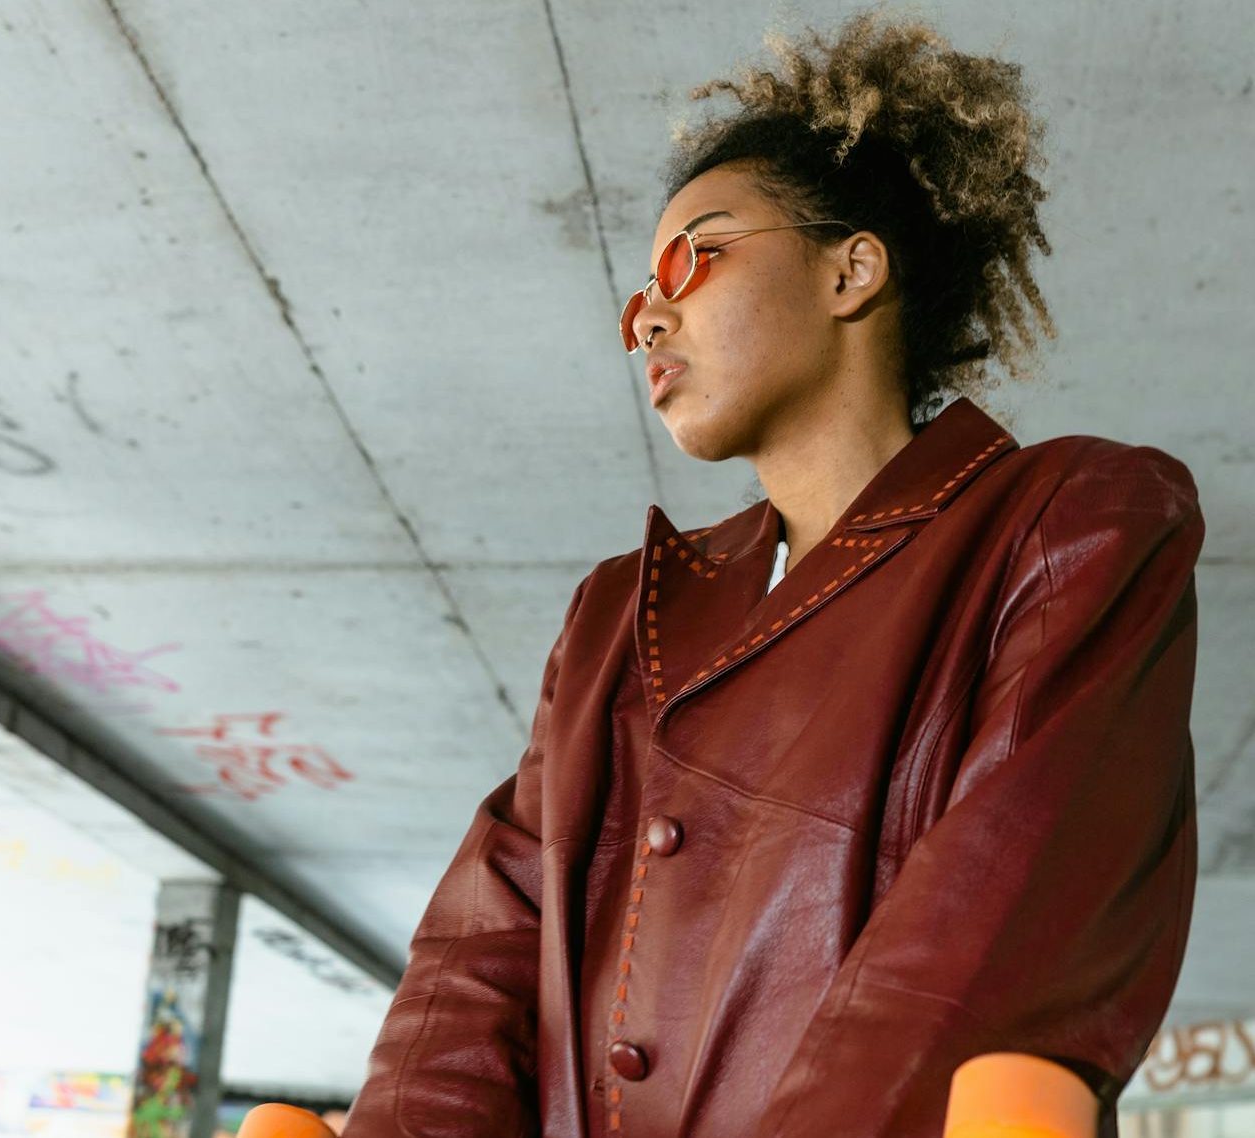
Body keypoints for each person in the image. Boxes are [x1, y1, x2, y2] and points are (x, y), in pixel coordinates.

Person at [339, 8, 1203, 1137]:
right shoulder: (615, 613)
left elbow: (984, 956)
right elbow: (480, 952)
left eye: (691, 255)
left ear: (851, 271)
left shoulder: (1071, 523)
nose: (649, 314)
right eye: (635, 298)